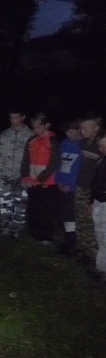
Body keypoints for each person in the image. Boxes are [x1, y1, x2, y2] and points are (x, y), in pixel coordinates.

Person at [21, 113, 60, 243]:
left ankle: (46, 236)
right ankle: (34, 233)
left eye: (39, 127)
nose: (35, 130)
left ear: (47, 125)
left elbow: (53, 163)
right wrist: (25, 176)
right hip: (32, 182)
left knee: (46, 210)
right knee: (33, 208)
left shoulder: (53, 140)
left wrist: (40, 179)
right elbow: (26, 160)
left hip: (47, 182)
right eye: (34, 127)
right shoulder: (32, 140)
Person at [0, 109, 33, 238]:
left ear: (23, 117)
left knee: (20, 204)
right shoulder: (5, 134)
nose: (13, 120)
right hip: (6, 174)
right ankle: (5, 227)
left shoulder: (30, 135)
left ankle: (16, 229)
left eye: (16, 117)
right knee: (5, 203)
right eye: (11, 117)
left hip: (21, 175)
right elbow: (0, 156)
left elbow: (32, 158)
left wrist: (30, 177)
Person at [75, 113, 103, 263]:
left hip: (93, 190)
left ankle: (93, 254)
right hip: (81, 186)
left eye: (86, 128)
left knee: (91, 221)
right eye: (81, 128)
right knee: (80, 219)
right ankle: (83, 249)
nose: (82, 131)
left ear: (96, 128)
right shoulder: (84, 142)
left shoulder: (101, 145)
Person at [57, 121, 82, 255]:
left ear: (79, 130)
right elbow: (58, 165)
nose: (68, 134)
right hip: (62, 186)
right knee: (65, 216)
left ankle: (75, 244)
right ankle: (69, 241)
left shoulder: (83, 146)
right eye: (67, 132)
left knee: (74, 216)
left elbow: (80, 170)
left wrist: (71, 185)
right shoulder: (64, 144)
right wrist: (59, 182)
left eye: (71, 131)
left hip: (74, 188)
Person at [89, 130, 106, 275]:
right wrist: (91, 200)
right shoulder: (102, 160)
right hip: (98, 203)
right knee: (100, 236)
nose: (100, 149)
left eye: (102, 146)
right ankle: (101, 268)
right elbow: (95, 182)